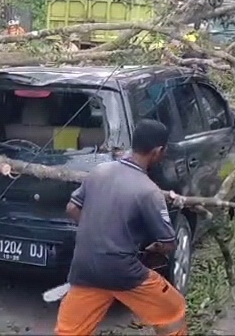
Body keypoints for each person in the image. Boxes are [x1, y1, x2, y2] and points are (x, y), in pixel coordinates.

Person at [55, 119, 187, 336]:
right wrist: (153, 248)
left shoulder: (99, 171)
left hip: (84, 267)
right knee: (173, 310)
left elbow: (72, 208)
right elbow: (168, 243)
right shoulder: (149, 191)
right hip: (123, 272)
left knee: (69, 332)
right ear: (157, 151)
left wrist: (96, 229)